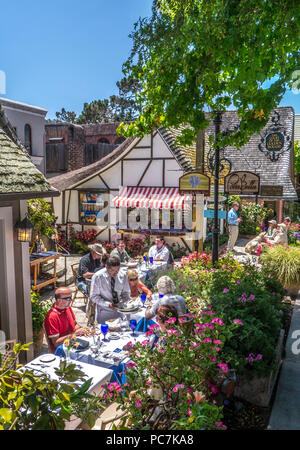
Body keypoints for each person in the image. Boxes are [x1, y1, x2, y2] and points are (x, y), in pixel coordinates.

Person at [90, 255, 131, 323]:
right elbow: (94, 296)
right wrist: (108, 304)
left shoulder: (123, 275)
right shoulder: (98, 277)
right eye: (112, 270)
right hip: (104, 312)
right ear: (106, 266)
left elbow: (126, 293)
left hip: (120, 312)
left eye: (117, 270)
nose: (115, 273)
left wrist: (125, 302)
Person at [44, 287, 85, 353]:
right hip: (62, 350)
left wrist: (83, 331)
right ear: (59, 300)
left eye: (71, 297)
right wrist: (74, 335)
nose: (71, 300)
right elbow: (56, 343)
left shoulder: (67, 308)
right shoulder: (52, 317)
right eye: (68, 298)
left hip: (73, 342)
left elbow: (74, 325)